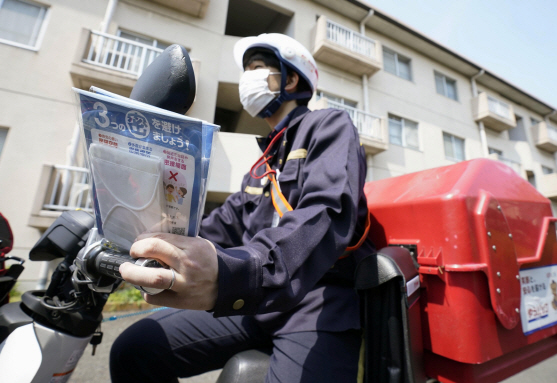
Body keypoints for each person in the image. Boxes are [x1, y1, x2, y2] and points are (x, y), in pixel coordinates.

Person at [110, 33, 373, 383]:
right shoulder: (262, 164)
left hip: (316, 300)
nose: (246, 78)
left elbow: (326, 211)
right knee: (135, 349)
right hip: (257, 303)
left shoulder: (329, 125)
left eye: (258, 68)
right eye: (246, 70)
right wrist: (145, 235)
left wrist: (249, 272)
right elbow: (221, 224)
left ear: (291, 79)